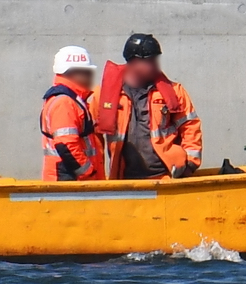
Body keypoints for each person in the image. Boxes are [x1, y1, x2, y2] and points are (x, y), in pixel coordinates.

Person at [92, 33, 202, 180]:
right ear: (133, 62)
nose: (156, 66)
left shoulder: (174, 91)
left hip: (166, 178)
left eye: (156, 60)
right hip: (124, 180)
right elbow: (93, 137)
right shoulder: (104, 95)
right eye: (150, 61)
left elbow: (190, 126)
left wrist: (190, 164)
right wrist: (96, 177)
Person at [40, 46, 105, 181]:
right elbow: (66, 145)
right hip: (69, 181)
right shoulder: (65, 103)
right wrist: (88, 172)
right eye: (86, 72)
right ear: (72, 72)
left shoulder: (71, 100)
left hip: (70, 179)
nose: (90, 77)